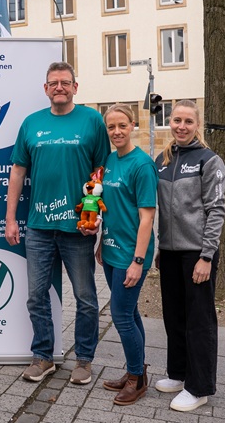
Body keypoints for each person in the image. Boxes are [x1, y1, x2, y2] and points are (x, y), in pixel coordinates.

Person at [4, 61, 109, 385]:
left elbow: (100, 173)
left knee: (86, 298)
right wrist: (10, 219)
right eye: (54, 83)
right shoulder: (31, 124)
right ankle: (43, 357)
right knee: (36, 295)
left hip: (77, 229)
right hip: (38, 227)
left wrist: (96, 218)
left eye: (65, 82)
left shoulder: (91, 120)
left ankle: (85, 360)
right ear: (46, 88)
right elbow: (18, 172)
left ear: (75, 87)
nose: (59, 87)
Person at [153, 99, 225, 412]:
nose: (181, 126)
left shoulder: (209, 160)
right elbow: (163, 211)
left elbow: (216, 210)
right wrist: (160, 246)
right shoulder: (163, 159)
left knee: (199, 322)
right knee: (174, 317)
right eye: (176, 120)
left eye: (188, 121)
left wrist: (207, 256)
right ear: (169, 122)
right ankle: (179, 373)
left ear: (197, 125)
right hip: (170, 252)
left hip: (197, 253)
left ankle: (199, 388)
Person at [83, 104, 158, 406]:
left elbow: (147, 218)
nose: (116, 132)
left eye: (122, 126)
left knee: (121, 316)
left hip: (132, 255)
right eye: (111, 127)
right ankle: (134, 371)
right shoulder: (110, 161)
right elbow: (110, 209)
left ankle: (137, 379)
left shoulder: (142, 165)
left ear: (132, 126)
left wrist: (138, 262)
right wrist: (101, 241)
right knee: (130, 313)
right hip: (111, 251)